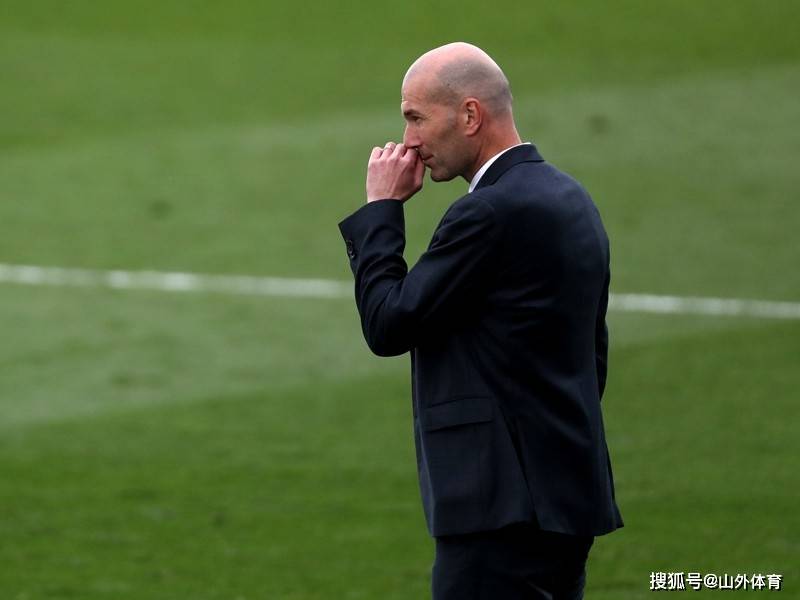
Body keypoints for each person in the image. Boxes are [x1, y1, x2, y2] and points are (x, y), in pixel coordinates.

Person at [338, 42, 623, 600]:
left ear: (470, 115)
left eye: (416, 118)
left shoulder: (486, 212)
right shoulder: (571, 198)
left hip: (499, 509)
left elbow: (388, 323)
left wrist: (381, 211)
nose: (408, 140)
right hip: (566, 497)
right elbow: (593, 353)